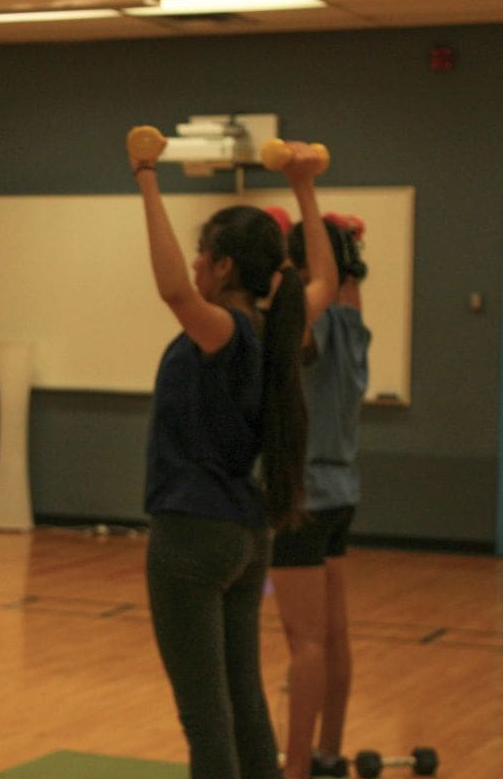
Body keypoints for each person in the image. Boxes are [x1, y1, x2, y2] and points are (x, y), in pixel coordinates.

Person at [128, 135, 338, 779]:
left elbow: (171, 291)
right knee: (244, 701)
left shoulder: (226, 331)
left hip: (193, 533)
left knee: (206, 715)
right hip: (246, 536)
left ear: (221, 268)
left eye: (201, 257)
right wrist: (303, 186)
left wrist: (146, 175)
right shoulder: (279, 330)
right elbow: (325, 277)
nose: (193, 267)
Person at [269, 216, 370, 779]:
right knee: (334, 633)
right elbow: (345, 278)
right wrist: (344, 245)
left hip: (302, 496)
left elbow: (315, 295)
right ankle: (329, 752)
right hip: (340, 493)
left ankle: (299, 767)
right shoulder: (353, 320)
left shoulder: (314, 327)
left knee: (304, 641)